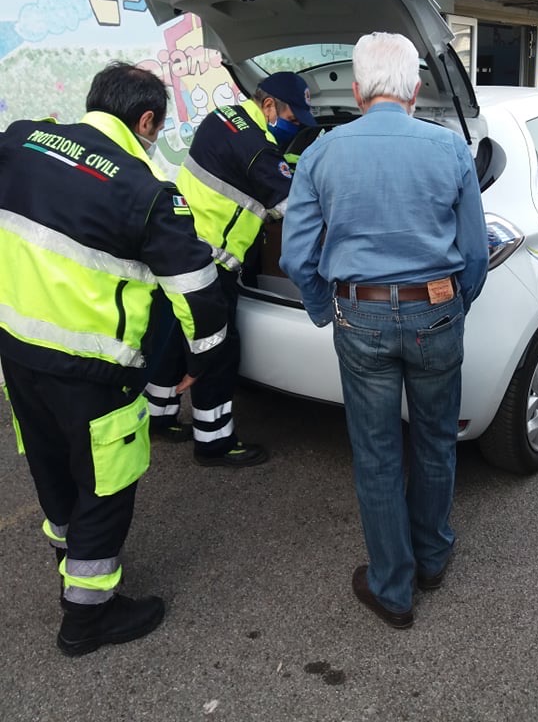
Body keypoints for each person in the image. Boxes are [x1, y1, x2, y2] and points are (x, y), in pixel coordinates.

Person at [0, 61, 228, 655]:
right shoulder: (146, 192)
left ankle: (68, 561)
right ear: (146, 120)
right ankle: (86, 619)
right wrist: (198, 366)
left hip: (19, 357)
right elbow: (199, 296)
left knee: (51, 470)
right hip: (95, 376)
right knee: (105, 489)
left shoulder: (21, 141)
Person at [279, 33, 488, 629]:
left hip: (360, 314)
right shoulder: (449, 150)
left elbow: (297, 256)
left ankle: (393, 589)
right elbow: (476, 252)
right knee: (434, 441)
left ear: (357, 90)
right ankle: (433, 557)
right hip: (437, 313)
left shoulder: (321, 152)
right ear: (416, 90)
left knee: (375, 454)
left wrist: (326, 307)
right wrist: (452, 305)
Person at [145, 71, 316, 466]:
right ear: (269, 105)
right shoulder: (260, 151)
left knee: (170, 339)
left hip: (177, 249)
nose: (295, 127)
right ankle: (215, 441)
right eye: (293, 118)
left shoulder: (221, 118)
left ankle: (159, 417)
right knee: (218, 350)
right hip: (210, 265)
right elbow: (295, 210)